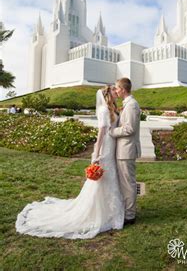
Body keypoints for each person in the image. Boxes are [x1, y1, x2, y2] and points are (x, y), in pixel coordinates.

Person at [15, 86, 124, 239]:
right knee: (103, 179)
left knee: (109, 178)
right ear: (107, 94)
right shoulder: (104, 111)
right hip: (105, 147)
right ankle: (103, 212)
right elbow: (101, 134)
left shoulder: (111, 108)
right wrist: (96, 153)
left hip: (111, 146)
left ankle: (109, 210)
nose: (116, 92)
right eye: (113, 90)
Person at [109, 77, 141, 225]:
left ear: (122, 89)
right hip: (123, 150)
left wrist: (112, 132)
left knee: (128, 184)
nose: (115, 90)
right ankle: (127, 211)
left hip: (126, 150)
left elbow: (129, 129)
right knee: (125, 183)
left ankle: (130, 216)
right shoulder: (127, 104)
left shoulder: (132, 106)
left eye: (116, 88)